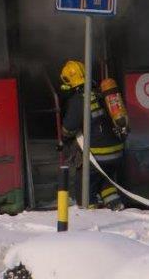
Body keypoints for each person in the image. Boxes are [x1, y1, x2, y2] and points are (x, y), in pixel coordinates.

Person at [59, 60, 125, 210]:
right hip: (116, 151)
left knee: (84, 184)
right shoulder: (100, 93)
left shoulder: (78, 101)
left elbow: (69, 127)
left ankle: (90, 216)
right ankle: (115, 203)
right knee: (103, 179)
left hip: (98, 155)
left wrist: (64, 138)